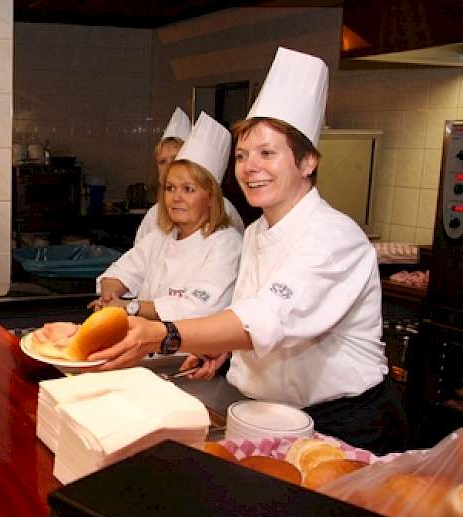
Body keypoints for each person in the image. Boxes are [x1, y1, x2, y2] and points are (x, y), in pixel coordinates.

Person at [93, 48, 407, 455]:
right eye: (242, 156)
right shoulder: (258, 230)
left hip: (345, 422)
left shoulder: (333, 235)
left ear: (308, 161)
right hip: (270, 413)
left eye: (267, 153)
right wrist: (223, 349)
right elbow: (250, 308)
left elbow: (267, 318)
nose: (250, 167)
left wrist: (165, 332)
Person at [92, 112, 242, 323]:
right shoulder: (162, 237)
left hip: (188, 351)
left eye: (188, 189)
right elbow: (121, 272)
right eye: (170, 188)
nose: (176, 198)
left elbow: (196, 308)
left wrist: (130, 307)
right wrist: (110, 296)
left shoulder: (226, 244)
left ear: (210, 196)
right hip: (147, 344)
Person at [132, 107, 245, 246]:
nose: (168, 167)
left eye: (176, 159)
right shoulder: (153, 215)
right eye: (162, 161)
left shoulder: (225, 212)